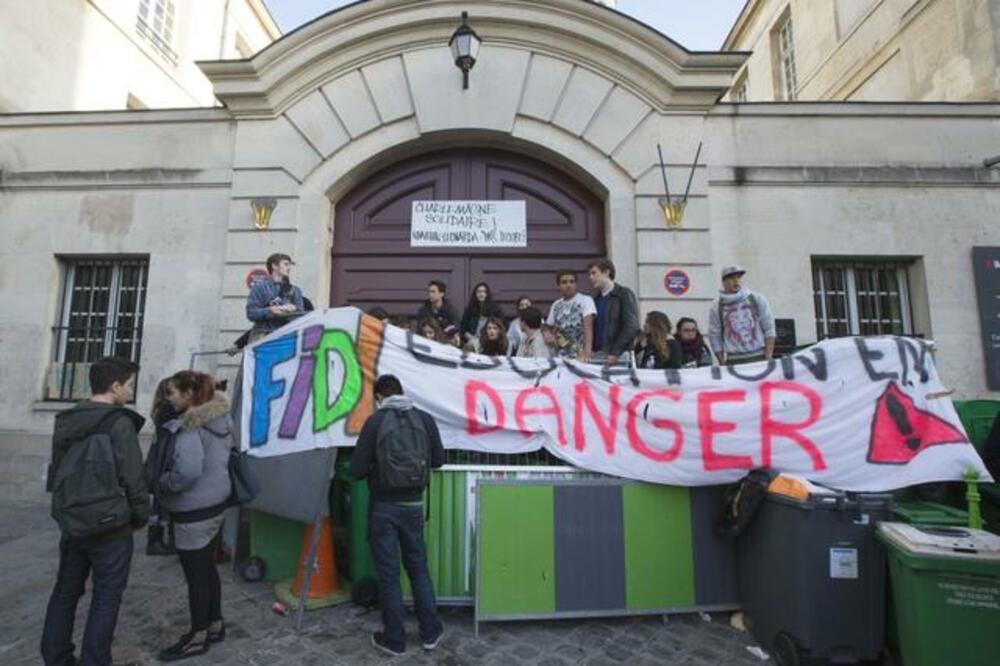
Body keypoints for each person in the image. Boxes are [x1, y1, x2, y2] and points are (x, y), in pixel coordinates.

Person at [41, 357, 149, 666]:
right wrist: (139, 516)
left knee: (65, 591)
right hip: (111, 526)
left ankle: (56, 657)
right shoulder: (119, 422)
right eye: (129, 385)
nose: (130, 392)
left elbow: (57, 471)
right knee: (106, 596)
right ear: (115, 386)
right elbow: (133, 478)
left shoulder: (68, 418)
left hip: (74, 522)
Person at [350, 375, 445, 657]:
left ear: (379, 396)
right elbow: (438, 460)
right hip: (413, 507)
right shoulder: (425, 419)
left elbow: (356, 470)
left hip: (383, 509)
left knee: (389, 576)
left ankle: (394, 640)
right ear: (402, 393)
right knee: (418, 569)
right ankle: (430, 633)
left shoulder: (376, 421)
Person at [156, 371, 234, 661]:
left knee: (196, 574)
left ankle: (197, 635)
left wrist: (163, 483)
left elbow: (187, 472)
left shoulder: (191, 425)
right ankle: (215, 623)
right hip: (216, 504)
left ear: (189, 394)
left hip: (194, 508)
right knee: (207, 569)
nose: (169, 398)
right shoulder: (222, 419)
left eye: (172, 392)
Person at [708, 265, 776, 365]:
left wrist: (768, 356)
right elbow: (714, 335)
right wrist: (722, 361)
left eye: (739, 277)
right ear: (724, 282)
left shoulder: (757, 299)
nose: (736, 281)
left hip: (759, 356)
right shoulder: (717, 306)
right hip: (733, 359)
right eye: (731, 278)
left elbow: (769, 327)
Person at [144, 378, 179, 556]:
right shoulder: (167, 410)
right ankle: (156, 540)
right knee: (162, 502)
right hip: (164, 458)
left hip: (161, 457)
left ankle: (160, 539)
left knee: (162, 502)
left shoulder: (161, 409)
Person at [587, 259, 640, 366]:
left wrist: (616, 352)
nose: (591, 277)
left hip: (618, 356)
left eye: (594, 273)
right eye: (589, 274)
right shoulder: (596, 300)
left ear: (606, 272)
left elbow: (631, 325)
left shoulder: (623, 294)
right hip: (599, 355)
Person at [246, 253, 305, 340]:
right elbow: (251, 313)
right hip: (262, 336)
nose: (289, 268)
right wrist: (270, 310)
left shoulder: (295, 290)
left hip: (285, 337)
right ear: (274, 266)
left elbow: (301, 317)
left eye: (290, 265)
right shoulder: (259, 287)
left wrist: (290, 311)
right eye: (286, 264)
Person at [546, 270, 596, 360]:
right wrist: (547, 334)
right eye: (564, 282)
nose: (568, 285)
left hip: (579, 356)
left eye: (571, 282)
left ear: (576, 284)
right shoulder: (556, 305)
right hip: (559, 356)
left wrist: (587, 352)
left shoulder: (585, 300)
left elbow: (588, 327)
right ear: (558, 286)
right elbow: (547, 326)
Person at [459, 282, 504, 346]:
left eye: (484, 292)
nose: (481, 294)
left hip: (490, 341)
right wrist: (471, 338)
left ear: (487, 294)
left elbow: (501, 326)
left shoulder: (496, 309)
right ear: (475, 294)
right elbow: (463, 328)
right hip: (473, 340)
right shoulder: (470, 309)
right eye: (479, 292)